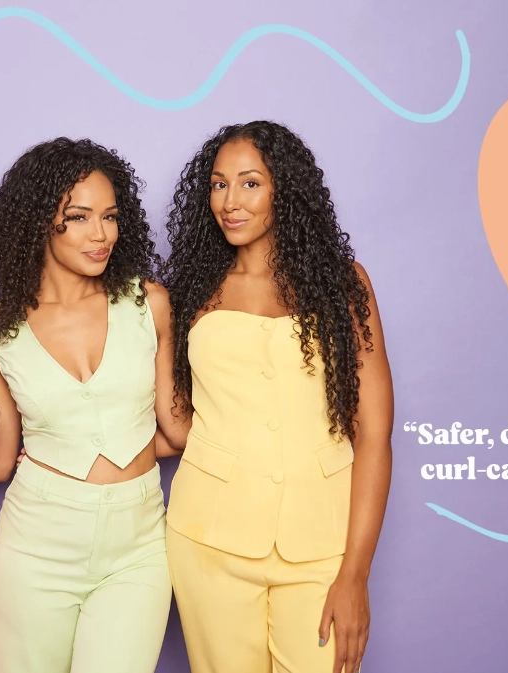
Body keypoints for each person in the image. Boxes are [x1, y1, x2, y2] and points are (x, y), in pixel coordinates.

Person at [160, 120, 394, 673]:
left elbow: (375, 435)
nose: (230, 202)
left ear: (283, 192)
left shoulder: (343, 284)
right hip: (207, 540)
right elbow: (178, 422)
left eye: (250, 183)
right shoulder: (192, 288)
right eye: (218, 185)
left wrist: (355, 575)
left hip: (322, 545)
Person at [0, 137, 186, 673]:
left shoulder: (147, 303)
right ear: (41, 221)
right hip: (37, 543)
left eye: (109, 217)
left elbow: (178, 431)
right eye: (80, 217)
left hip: (138, 546)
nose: (100, 234)